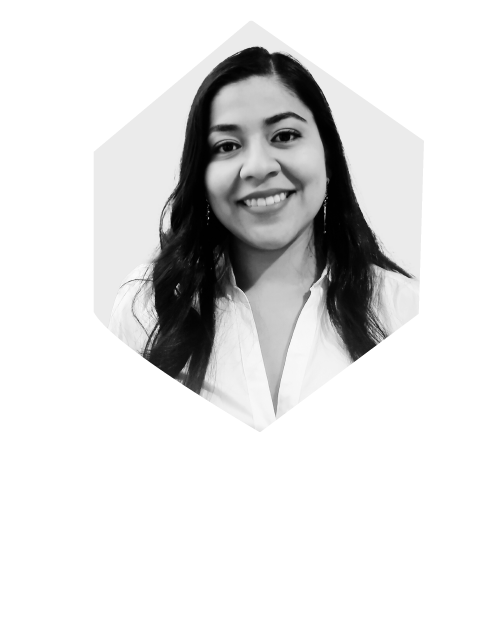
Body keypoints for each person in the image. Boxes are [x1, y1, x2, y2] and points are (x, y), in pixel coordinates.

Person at [107, 46, 420, 426]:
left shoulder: (406, 313)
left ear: (328, 158)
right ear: (201, 175)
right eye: (227, 146)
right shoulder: (148, 309)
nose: (256, 167)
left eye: (284, 135)